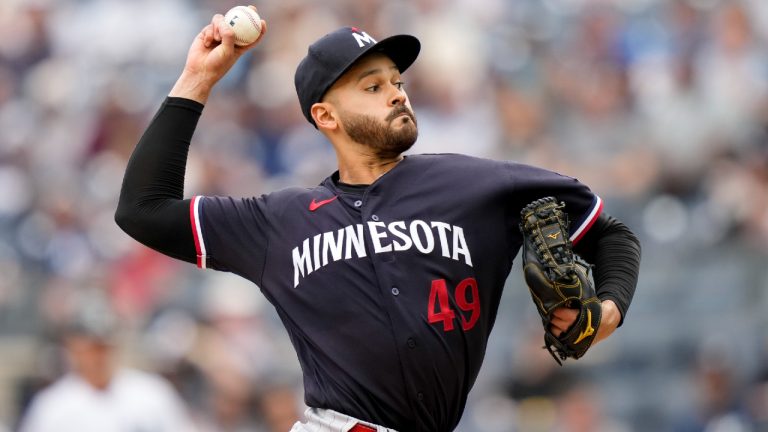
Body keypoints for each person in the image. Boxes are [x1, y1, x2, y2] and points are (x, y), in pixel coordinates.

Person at [115, 6, 641, 431]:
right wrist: (198, 79)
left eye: (396, 81)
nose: (395, 91)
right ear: (326, 116)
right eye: (372, 86)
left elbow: (608, 233)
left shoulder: (476, 185)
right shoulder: (279, 220)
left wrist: (610, 309)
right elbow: (143, 210)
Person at [17, 297, 197, 432]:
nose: (99, 356)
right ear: (73, 348)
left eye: (105, 346)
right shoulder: (53, 406)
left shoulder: (153, 394)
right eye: (92, 347)